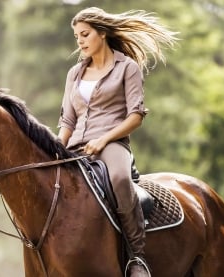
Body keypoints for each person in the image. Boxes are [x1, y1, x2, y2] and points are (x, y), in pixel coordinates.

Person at [57, 7, 177, 277]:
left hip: (112, 144)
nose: (80, 41)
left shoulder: (127, 68)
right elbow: (67, 121)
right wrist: (54, 149)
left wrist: (103, 140)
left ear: (102, 33)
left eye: (85, 34)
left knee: (121, 179)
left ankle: (137, 257)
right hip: (76, 146)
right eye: (77, 37)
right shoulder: (74, 74)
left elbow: (135, 116)